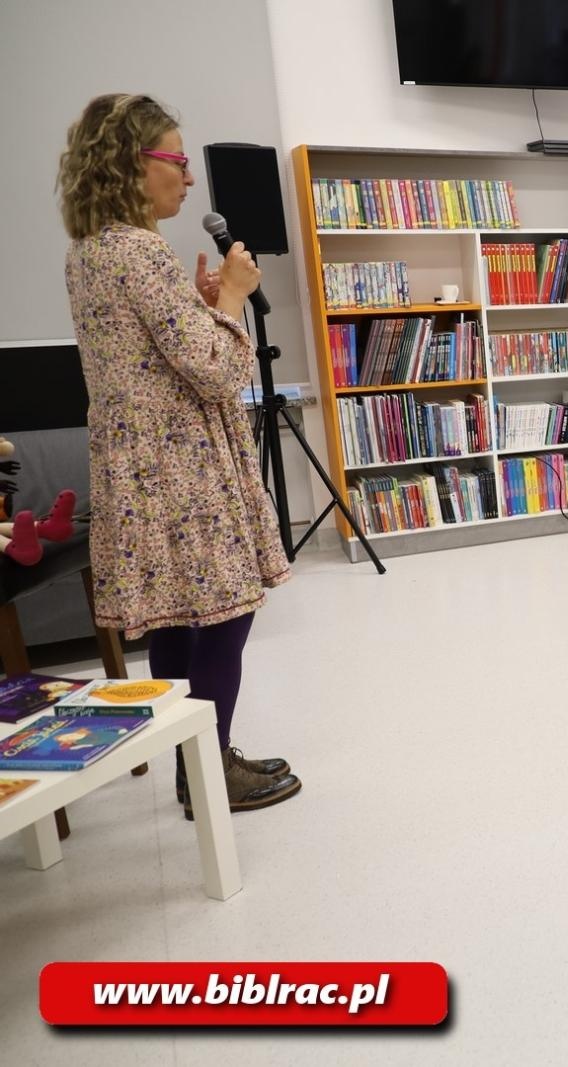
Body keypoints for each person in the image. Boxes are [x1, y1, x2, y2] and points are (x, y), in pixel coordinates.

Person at [57, 93, 298, 814]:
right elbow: (216, 370)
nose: (189, 179)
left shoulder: (90, 251)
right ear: (134, 162)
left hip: (137, 464)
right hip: (179, 463)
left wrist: (198, 302)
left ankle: (197, 759)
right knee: (227, 609)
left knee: (173, 613)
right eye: (177, 161)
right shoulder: (139, 249)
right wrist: (228, 296)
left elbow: (151, 351)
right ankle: (208, 770)